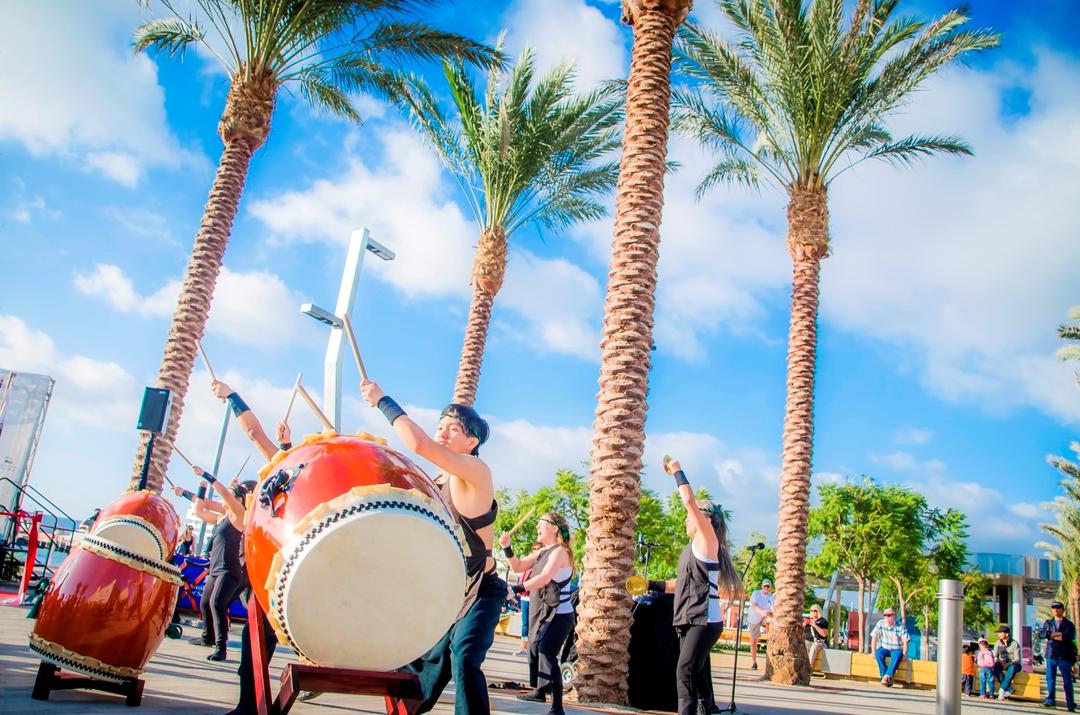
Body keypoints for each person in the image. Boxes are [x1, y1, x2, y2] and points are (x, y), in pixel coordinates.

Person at [361, 379, 505, 715]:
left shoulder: (475, 472)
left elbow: (419, 443)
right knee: (420, 661)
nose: (442, 432)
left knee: (464, 655)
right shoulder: (434, 483)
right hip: (448, 591)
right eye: (440, 426)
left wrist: (382, 400)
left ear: (472, 441)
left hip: (481, 591)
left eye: (453, 429)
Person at [205, 380, 290, 715]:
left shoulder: (286, 470)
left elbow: (254, 433)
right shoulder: (286, 482)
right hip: (272, 574)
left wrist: (232, 397)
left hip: (273, 575)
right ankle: (254, 703)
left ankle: (252, 705)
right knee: (256, 641)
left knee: (257, 640)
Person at [646, 458, 741, 715]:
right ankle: (704, 709)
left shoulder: (708, 539)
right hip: (692, 616)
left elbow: (689, 502)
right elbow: (680, 585)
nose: (687, 520)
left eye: (692, 517)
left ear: (705, 519)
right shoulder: (693, 549)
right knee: (697, 675)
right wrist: (648, 584)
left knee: (684, 672)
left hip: (704, 619)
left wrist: (676, 470)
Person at [500, 513, 576, 715]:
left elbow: (543, 578)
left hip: (560, 615)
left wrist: (515, 590)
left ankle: (557, 707)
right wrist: (507, 547)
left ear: (553, 528)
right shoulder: (544, 551)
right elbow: (517, 566)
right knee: (535, 648)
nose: (537, 528)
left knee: (547, 654)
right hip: (547, 612)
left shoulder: (560, 552)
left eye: (540, 524)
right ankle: (539, 691)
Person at [184, 464, 253, 662]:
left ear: (238, 500)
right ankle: (207, 638)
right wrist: (202, 487)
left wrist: (208, 475)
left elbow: (226, 495)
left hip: (229, 570)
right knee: (205, 603)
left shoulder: (239, 516)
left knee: (217, 604)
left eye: (230, 496)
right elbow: (199, 510)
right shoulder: (221, 518)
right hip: (215, 568)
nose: (224, 500)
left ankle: (220, 648)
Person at [1040, 600, 1077, 711]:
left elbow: (1069, 636)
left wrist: (1053, 635)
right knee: (1050, 678)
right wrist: (1055, 635)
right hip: (1051, 654)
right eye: (1053, 608)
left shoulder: (1069, 624)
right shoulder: (1048, 622)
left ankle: (1070, 703)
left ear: (1062, 609)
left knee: (1067, 680)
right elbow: (1042, 634)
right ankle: (1050, 700)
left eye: (1058, 608)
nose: (1056, 610)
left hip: (1065, 656)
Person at [870, 608, 909, 686]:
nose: (887, 617)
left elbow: (906, 640)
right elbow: (874, 637)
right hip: (884, 647)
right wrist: (873, 652)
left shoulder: (900, 626)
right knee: (878, 653)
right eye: (885, 615)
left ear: (894, 616)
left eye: (889, 615)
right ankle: (885, 676)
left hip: (896, 648)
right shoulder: (880, 623)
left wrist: (904, 654)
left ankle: (887, 676)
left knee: (897, 655)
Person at [747, 578, 774, 670]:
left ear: (770, 587)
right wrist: (762, 612)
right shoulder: (756, 593)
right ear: (762, 586)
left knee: (771, 620)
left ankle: (772, 637)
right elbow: (754, 605)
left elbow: (773, 608)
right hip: (754, 617)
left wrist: (768, 613)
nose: (766, 587)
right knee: (753, 641)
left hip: (765, 616)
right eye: (765, 586)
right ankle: (754, 662)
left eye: (768, 586)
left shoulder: (772, 596)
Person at [994, 624, 1021, 701]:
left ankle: (1002, 689)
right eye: (998, 633)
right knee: (995, 667)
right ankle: (1009, 688)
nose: (999, 634)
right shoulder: (997, 643)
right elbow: (995, 655)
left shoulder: (1014, 643)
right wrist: (997, 660)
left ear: (1006, 634)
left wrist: (1011, 661)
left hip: (1014, 664)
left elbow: (1017, 658)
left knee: (1012, 668)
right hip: (1002, 663)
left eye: (1000, 632)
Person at [804, 604, 829, 675]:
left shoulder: (822, 621)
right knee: (800, 645)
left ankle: (809, 667)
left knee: (814, 646)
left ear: (819, 612)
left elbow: (824, 634)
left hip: (819, 642)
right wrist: (804, 625)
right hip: (808, 641)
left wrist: (815, 625)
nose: (812, 612)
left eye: (815, 611)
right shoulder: (807, 621)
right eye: (811, 610)